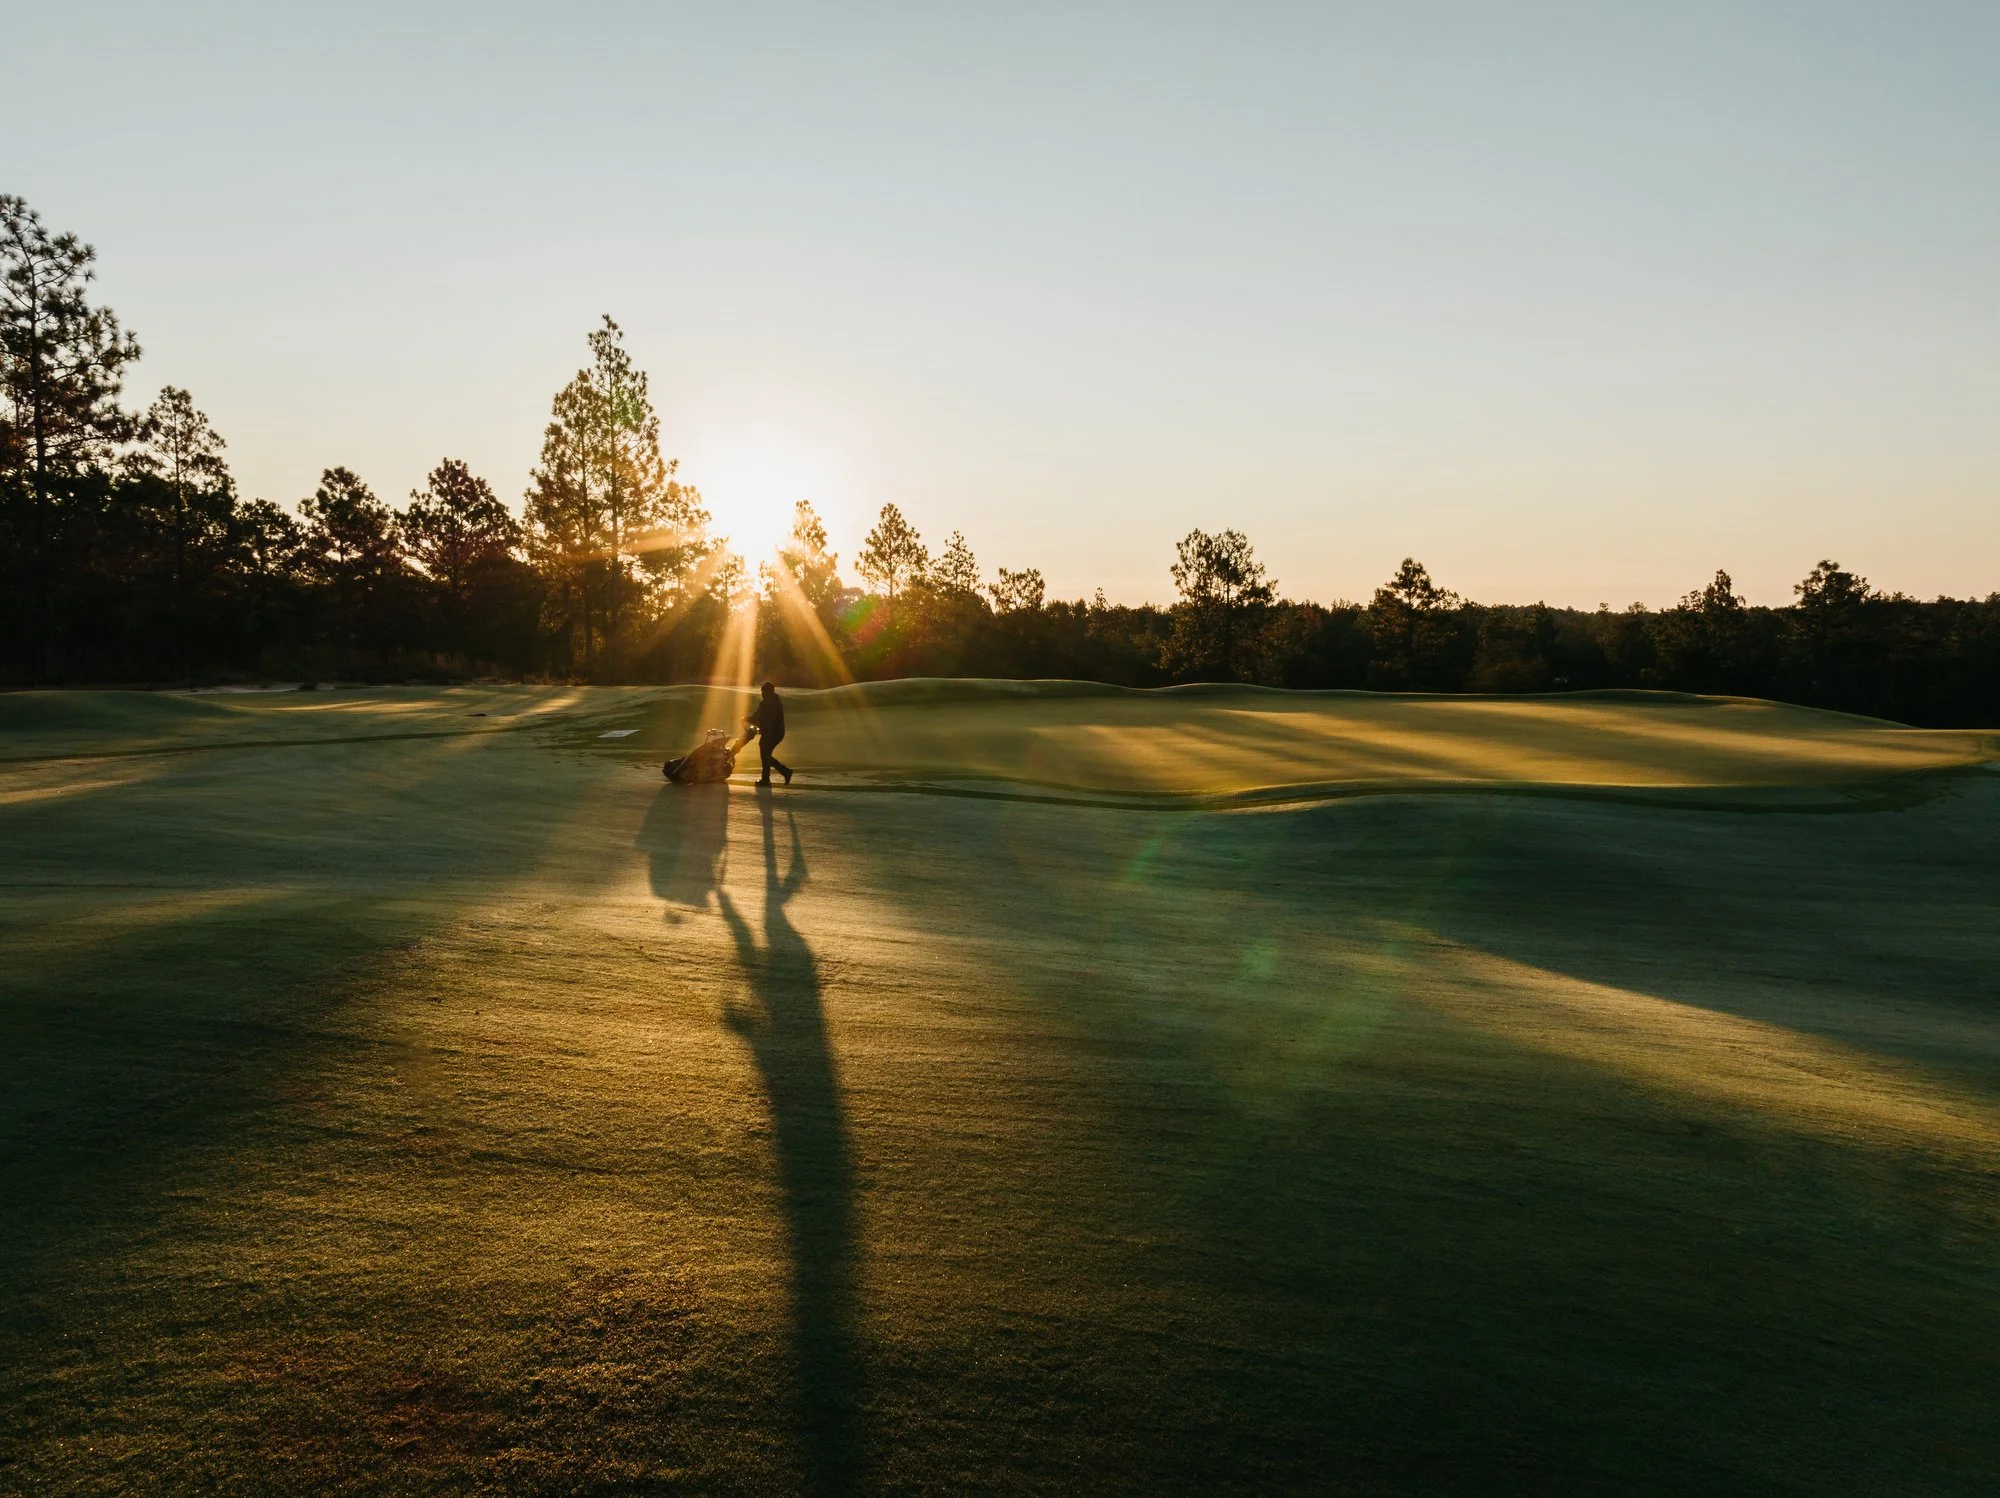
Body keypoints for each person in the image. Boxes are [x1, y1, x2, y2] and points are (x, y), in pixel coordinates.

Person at [746, 680, 792, 786]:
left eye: (763, 692)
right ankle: (776, 775)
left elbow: (756, 717)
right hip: (778, 732)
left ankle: (779, 774)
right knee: (765, 755)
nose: (762, 694)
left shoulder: (766, 702)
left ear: (766, 692)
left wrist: (746, 718)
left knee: (765, 755)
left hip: (771, 733)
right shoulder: (776, 701)